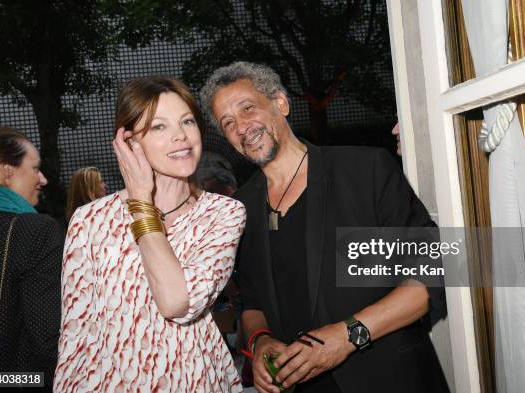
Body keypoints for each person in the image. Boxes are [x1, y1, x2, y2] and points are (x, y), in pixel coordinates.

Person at [200, 62, 449, 393]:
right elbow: (250, 301)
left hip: (389, 378)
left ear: (281, 103)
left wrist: (348, 335)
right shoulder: (239, 210)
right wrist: (260, 342)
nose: (242, 127)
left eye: (248, 109)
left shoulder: (364, 170)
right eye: (228, 122)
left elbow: (432, 272)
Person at [54, 76, 246, 392]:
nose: (181, 136)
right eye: (159, 127)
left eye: (187, 121)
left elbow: (177, 304)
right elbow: (76, 332)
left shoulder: (223, 213)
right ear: (129, 143)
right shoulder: (89, 220)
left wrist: (141, 203)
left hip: (195, 382)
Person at [0, 127, 63, 392]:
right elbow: (47, 340)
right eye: (35, 168)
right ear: (5, 170)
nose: (43, 179)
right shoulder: (33, 231)